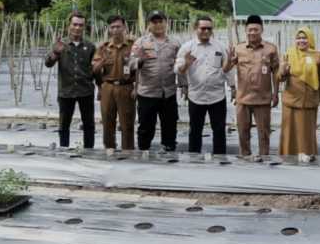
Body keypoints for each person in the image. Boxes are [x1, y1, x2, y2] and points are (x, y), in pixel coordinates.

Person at [175, 16, 235, 154]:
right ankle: (194, 158)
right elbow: (177, 69)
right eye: (203, 28)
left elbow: (228, 68)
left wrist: (232, 87)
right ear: (196, 29)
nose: (206, 31)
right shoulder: (187, 48)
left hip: (217, 96)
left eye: (209, 28)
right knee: (195, 130)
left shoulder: (220, 46)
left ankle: (220, 159)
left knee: (219, 130)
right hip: (196, 96)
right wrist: (186, 64)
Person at [129, 10, 183, 152]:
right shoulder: (140, 43)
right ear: (149, 25)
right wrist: (140, 60)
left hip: (168, 93)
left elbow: (180, 65)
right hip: (147, 93)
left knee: (170, 127)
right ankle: (143, 153)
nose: (158, 25)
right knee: (146, 128)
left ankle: (169, 153)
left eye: (161, 21)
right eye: (154, 22)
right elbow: (130, 65)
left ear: (166, 23)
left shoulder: (175, 43)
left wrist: (184, 85)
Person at [228, 15, 279, 160]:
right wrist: (230, 62)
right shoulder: (238, 48)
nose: (252, 32)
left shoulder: (270, 49)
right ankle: (245, 158)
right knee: (243, 133)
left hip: (262, 99)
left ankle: (264, 158)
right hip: (243, 99)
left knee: (264, 133)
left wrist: (276, 94)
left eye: (256, 29)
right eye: (250, 30)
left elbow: (276, 72)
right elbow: (226, 69)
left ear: (261, 30)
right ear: (245, 30)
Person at [45, 12, 96, 149]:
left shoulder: (90, 47)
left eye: (80, 25)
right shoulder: (61, 45)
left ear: (84, 27)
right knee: (64, 125)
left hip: (86, 91)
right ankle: (64, 150)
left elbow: (95, 69)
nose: (77, 28)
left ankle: (89, 151)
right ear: (69, 26)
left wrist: (101, 87)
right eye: (75, 24)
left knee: (89, 125)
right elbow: (48, 64)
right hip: (66, 91)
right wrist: (55, 53)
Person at [278, 27, 320, 161]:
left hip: (309, 100)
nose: (301, 41)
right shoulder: (288, 54)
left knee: (307, 133)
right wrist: (283, 71)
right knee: (289, 133)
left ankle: (308, 159)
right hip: (290, 100)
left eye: (304, 38)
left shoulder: (317, 55)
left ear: (310, 39)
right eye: (299, 38)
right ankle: (288, 159)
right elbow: (280, 78)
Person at [92, 15, 136, 150]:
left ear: (124, 27)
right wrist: (100, 64)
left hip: (126, 87)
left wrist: (137, 87)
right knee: (107, 122)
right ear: (109, 29)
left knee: (127, 124)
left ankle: (127, 152)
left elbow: (140, 68)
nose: (116, 30)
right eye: (113, 27)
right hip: (108, 88)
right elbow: (95, 70)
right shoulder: (103, 48)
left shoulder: (133, 46)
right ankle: (109, 150)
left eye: (118, 26)